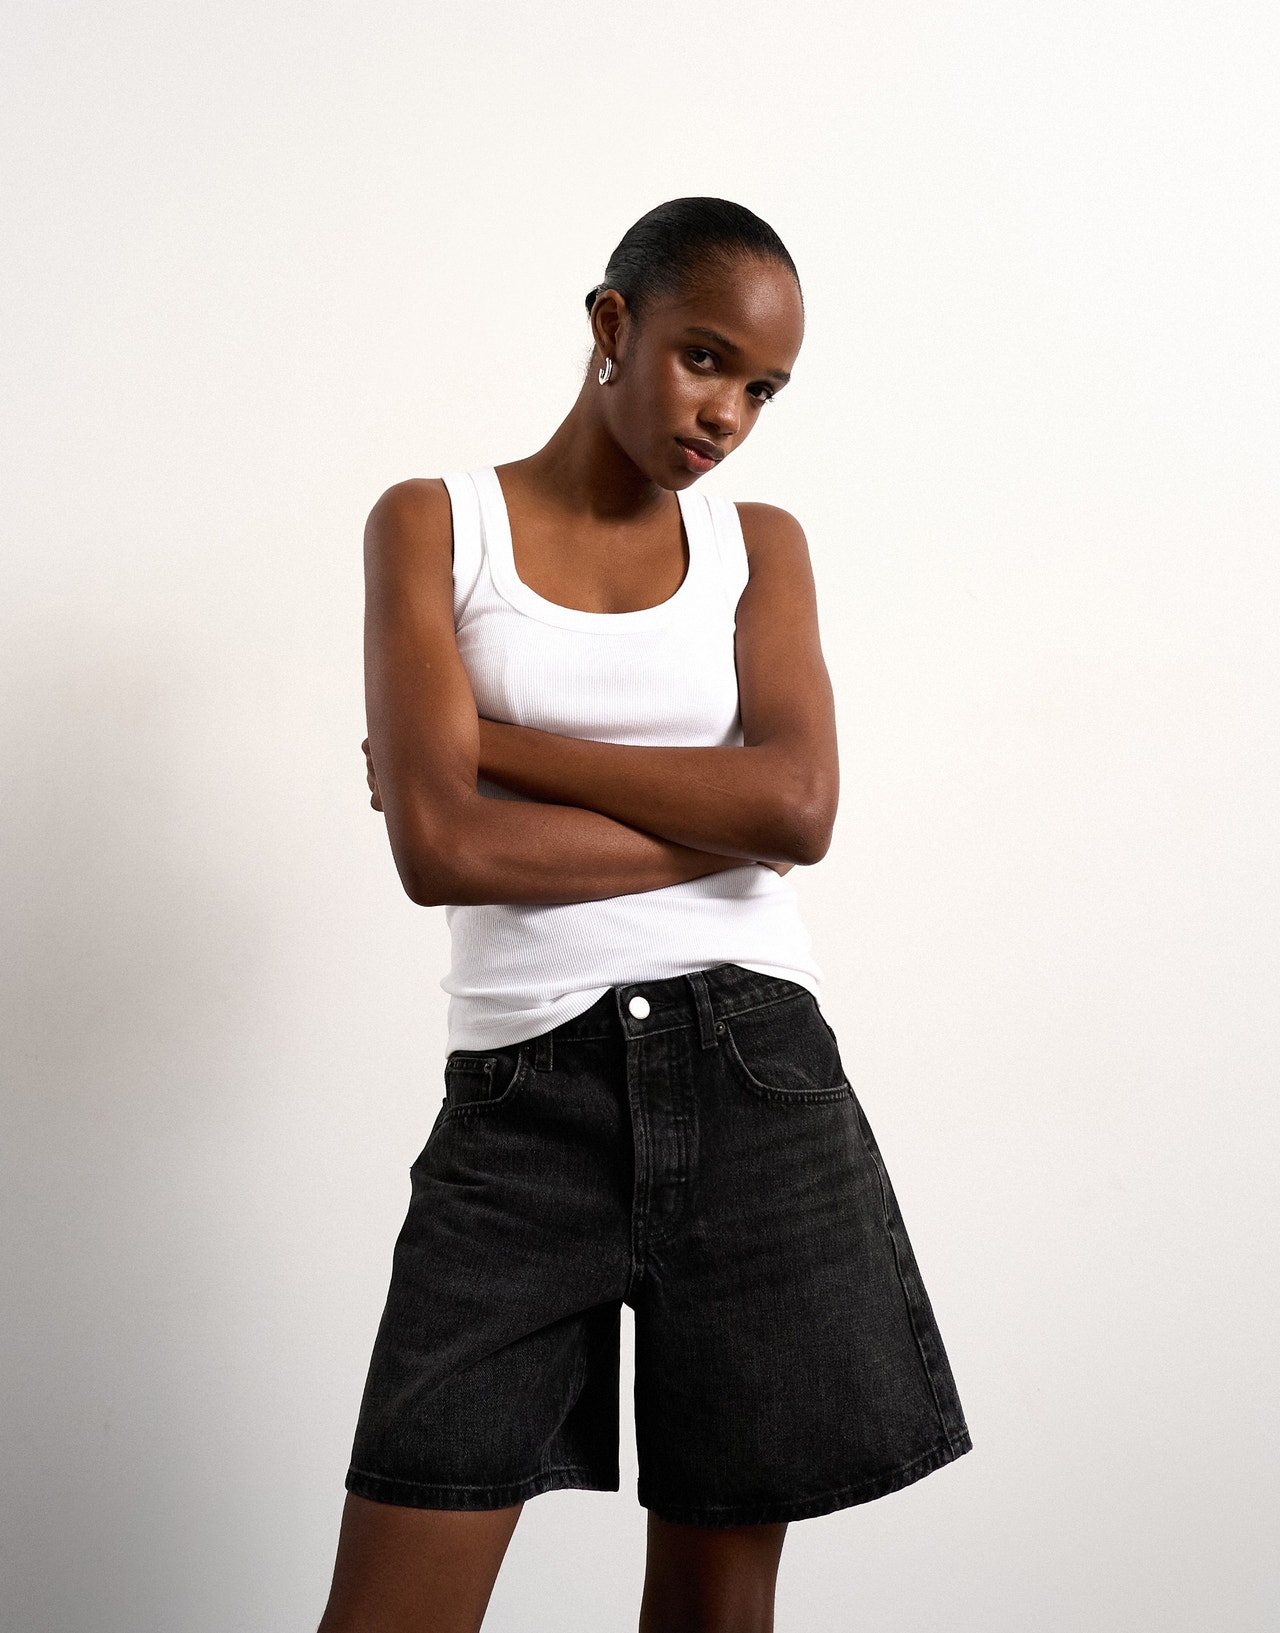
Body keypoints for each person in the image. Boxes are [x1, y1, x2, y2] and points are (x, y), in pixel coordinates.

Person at [318, 197, 971, 1633]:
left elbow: (799, 808)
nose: (728, 413)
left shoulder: (759, 548)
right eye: (705, 358)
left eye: (764, 389)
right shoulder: (437, 525)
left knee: (716, 1613)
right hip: (523, 1103)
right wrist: (719, 825)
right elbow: (441, 846)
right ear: (614, 323)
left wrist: (500, 743)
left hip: (756, 1082)